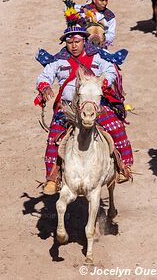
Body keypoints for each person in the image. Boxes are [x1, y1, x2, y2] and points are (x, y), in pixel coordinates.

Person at [34, 24, 133, 195]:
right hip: (67, 108)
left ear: (84, 41)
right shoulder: (59, 61)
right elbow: (44, 76)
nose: (73, 45)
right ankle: (52, 178)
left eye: (77, 41)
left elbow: (111, 70)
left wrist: (102, 83)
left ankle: (124, 166)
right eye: (70, 41)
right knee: (53, 137)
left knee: (116, 127)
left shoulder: (97, 57)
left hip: (94, 105)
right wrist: (44, 87)